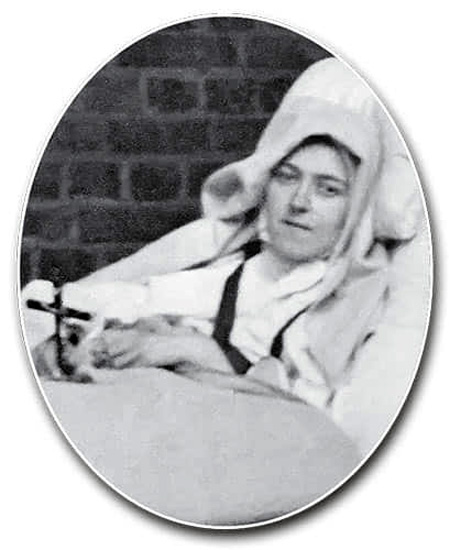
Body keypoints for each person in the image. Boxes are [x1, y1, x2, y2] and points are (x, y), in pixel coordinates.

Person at [22, 58, 430, 457]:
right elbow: (112, 302)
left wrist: (190, 351)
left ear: (355, 208)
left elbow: (328, 426)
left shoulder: (358, 304)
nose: (300, 202)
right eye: (287, 177)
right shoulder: (229, 269)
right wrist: (88, 341)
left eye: (328, 189)